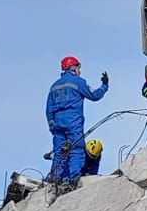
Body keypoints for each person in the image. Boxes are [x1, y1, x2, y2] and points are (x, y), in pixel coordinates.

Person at [46, 56, 108, 184]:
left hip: (58, 124)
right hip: (73, 122)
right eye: (79, 67)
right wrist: (104, 86)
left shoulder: (54, 86)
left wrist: (52, 126)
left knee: (59, 152)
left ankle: (54, 179)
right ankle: (73, 180)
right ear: (73, 68)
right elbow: (95, 95)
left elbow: (48, 109)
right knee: (77, 149)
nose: (80, 70)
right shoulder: (78, 82)